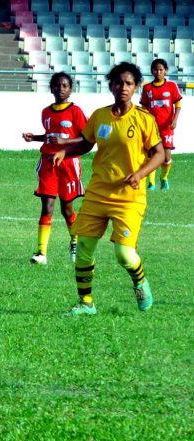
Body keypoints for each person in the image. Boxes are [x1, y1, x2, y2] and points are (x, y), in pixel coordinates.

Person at [53, 62, 165, 315]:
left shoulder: (144, 119)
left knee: (124, 255)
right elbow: (85, 142)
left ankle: (140, 283)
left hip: (128, 197)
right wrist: (64, 150)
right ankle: (86, 303)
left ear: (136, 87)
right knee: (83, 249)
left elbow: (159, 154)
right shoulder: (100, 116)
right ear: (111, 85)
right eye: (118, 83)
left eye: (128, 83)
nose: (123, 87)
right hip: (98, 193)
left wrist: (140, 174)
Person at [21, 72, 87, 265]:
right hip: (49, 163)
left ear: (70, 89)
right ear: (51, 88)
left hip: (68, 164)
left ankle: (74, 241)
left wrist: (66, 142)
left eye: (64, 86)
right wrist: (35, 138)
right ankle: (41, 253)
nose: (60, 89)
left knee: (67, 209)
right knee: (47, 206)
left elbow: (85, 137)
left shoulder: (76, 112)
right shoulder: (46, 112)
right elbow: (51, 135)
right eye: (57, 86)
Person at [140, 58, 182, 191]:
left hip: (166, 127)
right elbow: (144, 108)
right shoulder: (147, 88)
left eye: (161, 70)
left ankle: (164, 178)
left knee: (166, 156)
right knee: (151, 155)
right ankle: (151, 183)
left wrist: (175, 120)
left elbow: (178, 105)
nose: (158, 72)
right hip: (152, 128)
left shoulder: (171, 86)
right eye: (155, 70)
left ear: (165, 71)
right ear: (152, 71)